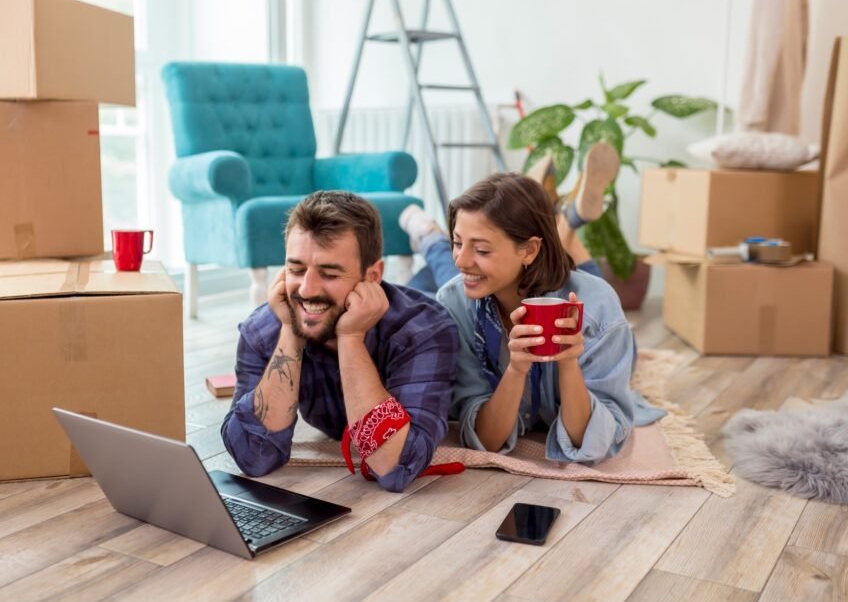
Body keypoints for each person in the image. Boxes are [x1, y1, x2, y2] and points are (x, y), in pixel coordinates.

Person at [399, 143, 664, 463]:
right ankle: (566, 222)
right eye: (455, 243)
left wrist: (568, 362)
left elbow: (589, 443)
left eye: (481, 250)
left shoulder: (598, 308)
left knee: (591, 294)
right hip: (536, 272)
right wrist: (516, 368)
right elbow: (486, 441)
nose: (461, 260)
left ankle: (566, 225)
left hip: (594, 320)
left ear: (528, 249)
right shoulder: (454, 303)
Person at [221, 190, 460, 492]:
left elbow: (395, 466)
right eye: (296, 269)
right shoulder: (263, 330)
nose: (306, 290)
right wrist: (291, 330)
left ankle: (429, 236)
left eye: (329, 273)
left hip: (428, 301)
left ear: (372, 275)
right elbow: (254, 458)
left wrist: (351, 337)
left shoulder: (426, 328)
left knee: (453, 282)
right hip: (385, 301)